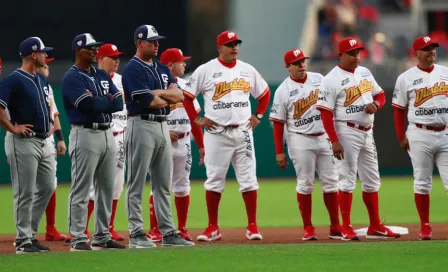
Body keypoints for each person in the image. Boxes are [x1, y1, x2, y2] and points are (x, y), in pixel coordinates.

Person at [183, 31, 271, 241]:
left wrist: (258, 115)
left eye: (236, 44)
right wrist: (197, 119)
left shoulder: (247, 69)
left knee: (249, 180)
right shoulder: (206, 70)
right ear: (219, 48)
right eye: (230, 44)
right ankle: (213, 227)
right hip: (216, 133)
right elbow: (187, 97)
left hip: (243, 131)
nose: (234, 47)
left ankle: (252, 226)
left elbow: (265, 93)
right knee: (214, 180)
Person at [316, 37, 400, 241]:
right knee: (346, 179)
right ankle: (346, 226)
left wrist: (377, 105)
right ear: (341, 55)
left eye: (358, 52)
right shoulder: (331, 79)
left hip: (367, 131)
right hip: (346, 131)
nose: (356, 56)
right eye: (352, 53)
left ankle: (375, 225)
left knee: (372, 179)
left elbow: (380, 95)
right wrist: (334, 140)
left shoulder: (365, 72)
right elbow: (325, 113)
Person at [122, 25, 195, 248]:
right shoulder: (132, 69)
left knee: (163, 183)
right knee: (136, 182)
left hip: (162, 126)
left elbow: (179, 95)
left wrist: (158, 93)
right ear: (139, 43)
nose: (156, 44)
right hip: (141, 124)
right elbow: (149, 102)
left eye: (157, 41)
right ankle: (136, 233)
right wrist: (164, 95)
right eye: (152, 41)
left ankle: (168, 233)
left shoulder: (163, 69)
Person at [62, 33, 125, 251]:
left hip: (107, 132)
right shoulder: (72, 77)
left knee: (106, 188)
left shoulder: (100, 73)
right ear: (79, 51)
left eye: (96, 47)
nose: (95, 51)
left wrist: (103, 101)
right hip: (84, 133)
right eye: (91, 48)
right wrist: (104, 100)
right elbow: (87, 105)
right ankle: (78, 237)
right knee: (81, 188)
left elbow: (118, 102)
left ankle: (102, 235)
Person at [269, 49, 341, 241]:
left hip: (323, 136)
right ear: (288, 67)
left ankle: (335, 226)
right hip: (299, 138)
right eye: (296, 63)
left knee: (331, 181)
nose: (302, 65)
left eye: (303, 61)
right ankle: (308, 227)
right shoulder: (283, 90)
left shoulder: (319, 79)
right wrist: (279, 152)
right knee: (306, 183)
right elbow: (278, 123)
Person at [0, 37, 55, 254]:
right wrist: (12, 128)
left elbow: (46, 106)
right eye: (43, 52)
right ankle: (23, 240)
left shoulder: (41, 80)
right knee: (25, 192)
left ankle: (29, 234)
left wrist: (50, 123)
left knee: (48, 186)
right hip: (22, 141)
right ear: (34, 54)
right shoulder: (14, 79)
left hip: (42, 140)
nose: (46, 56)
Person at [392, 36, 448, 240]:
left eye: (433, 47)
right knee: (422, 181)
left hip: (445, 131)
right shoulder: (405, 78)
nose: (431, 51)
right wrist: (400, 136)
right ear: (416, 54)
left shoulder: (445, 73)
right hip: (419, 132)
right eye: (426, 49)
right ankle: (425, 225)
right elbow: (398, 110)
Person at [146, 48, 204, 242]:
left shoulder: (187, 86)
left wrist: (201, 146)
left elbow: (195, 117)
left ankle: (182, 228)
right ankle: (155, 229)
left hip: (185, 141)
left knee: (183, 186)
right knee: (159, 185)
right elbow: (146, 114)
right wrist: (161, 132)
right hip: (163, 141)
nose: (184, 65)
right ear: (170, 65)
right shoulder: (154, 85)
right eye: (181, 61)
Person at [84, 43, 126, 241]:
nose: (117, 60)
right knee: (92, 188)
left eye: (118, 57)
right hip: (99, 134)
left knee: (116, 185)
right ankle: (82, 229)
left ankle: (109, 227)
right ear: (101, 59)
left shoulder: (122, 80)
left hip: (121, 136)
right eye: (113, 57)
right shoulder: (90, 79)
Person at [35, 58, 71, 242]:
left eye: (48, 65)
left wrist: (61, 139)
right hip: (27, 141)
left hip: (47, 139)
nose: (48, 67)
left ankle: (50, 228)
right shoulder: (23, 83)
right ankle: (25, 230)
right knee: (25, 189)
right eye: (45, 64)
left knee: (51, 185)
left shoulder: (47, 88)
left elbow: (54, 114)